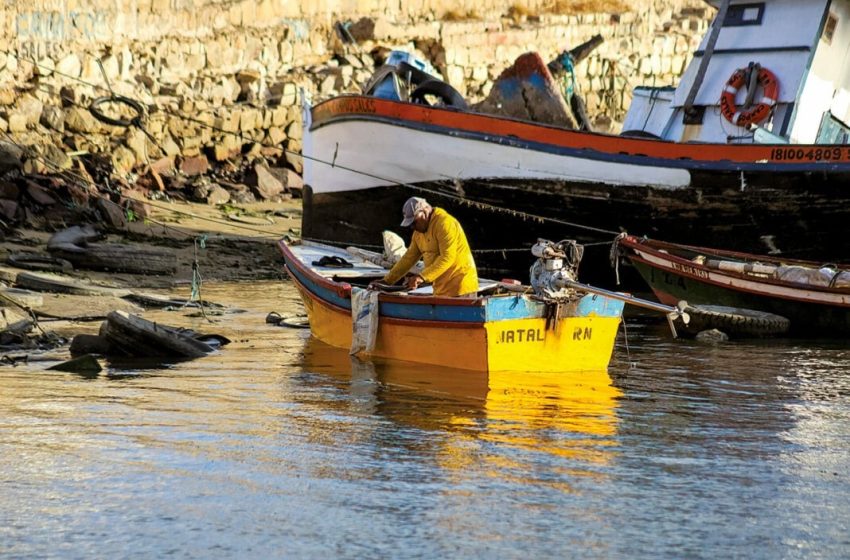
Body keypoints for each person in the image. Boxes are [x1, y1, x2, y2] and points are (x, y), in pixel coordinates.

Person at [373, 197, 478, 297]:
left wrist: (421, 277)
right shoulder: (418, 233)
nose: (412, 227)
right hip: (441, 290)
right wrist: (387, 281)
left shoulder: (445, 223)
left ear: (425, 212)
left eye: (414, 222)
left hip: (461, 288)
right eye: (410, 224)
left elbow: (447, 257)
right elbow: (408, 259)